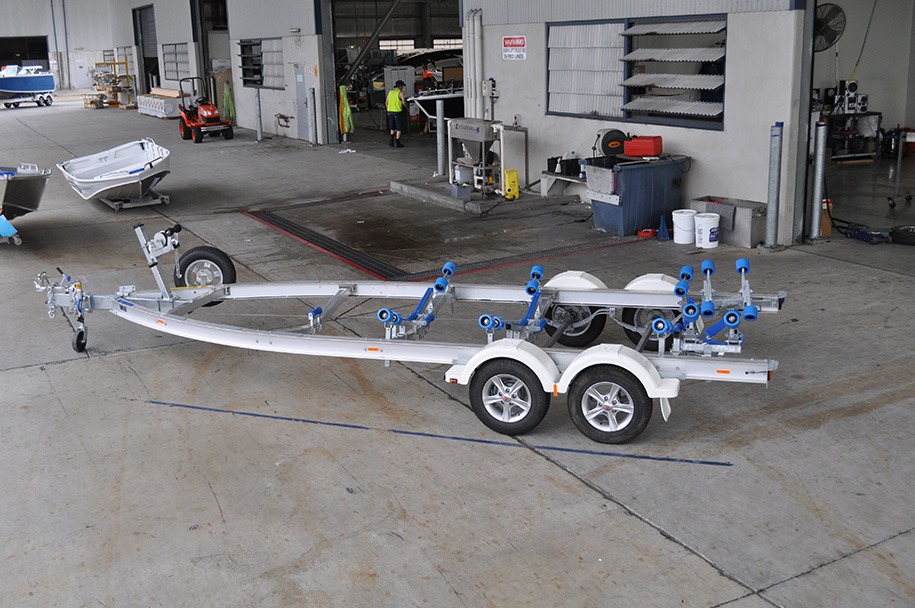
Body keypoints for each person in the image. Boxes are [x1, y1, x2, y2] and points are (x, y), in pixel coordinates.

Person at [386, 80, 407, 148]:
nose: (403, 88)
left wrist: (388, 109)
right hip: (397, 112)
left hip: (390, 112)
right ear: (400, 86)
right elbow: (403, 102)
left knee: (392, 127)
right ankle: (397, 141)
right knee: (399, 128)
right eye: (402, 86)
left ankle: (391, 140)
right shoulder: (400, 93)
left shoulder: (390, 92)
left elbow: (386, 102)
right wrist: (407, 108)